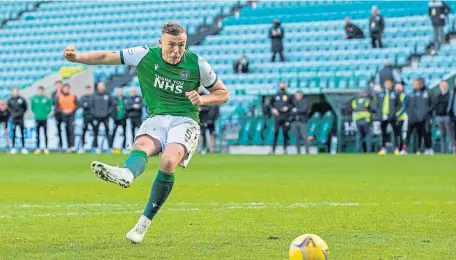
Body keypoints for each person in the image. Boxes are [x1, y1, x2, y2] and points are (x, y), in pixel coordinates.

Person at [62, 21, 228, 243]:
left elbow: (222, 93)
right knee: (142, 146)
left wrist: (203, 99)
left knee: (168, 162)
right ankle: (127, 174)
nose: (177, 51)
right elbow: (105, 57)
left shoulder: (198, 64)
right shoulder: (143, 54)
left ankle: (143, 223)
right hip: (157, 117)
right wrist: (77, 58)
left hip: (186, 119)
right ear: (160, 43)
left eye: (181, 45)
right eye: (171, 45)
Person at [403, 79, 433, 155]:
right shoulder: (410, 94)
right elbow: (406, 106)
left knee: (421, 134)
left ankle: (419, 149)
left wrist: (423, 114)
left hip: (421, 118)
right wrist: (410, 115)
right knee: (408, 134)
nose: (415, 85)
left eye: (417, 84)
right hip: (411, 118)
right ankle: (404, 149)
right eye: (414, 84)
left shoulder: (425, 93)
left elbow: (427, 106)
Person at [377, 80, 401, 155]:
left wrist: (394, 112)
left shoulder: (395, 93)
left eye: (389, 84)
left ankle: (396, 148)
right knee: (383, 132)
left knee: (395, 132)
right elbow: (377, 104)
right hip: (383, 115)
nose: (388, 85)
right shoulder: (380, 94)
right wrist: (380, 113)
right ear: (384, 84)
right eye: (386, 84)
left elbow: (399, 105)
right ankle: (383, 148)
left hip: (392, 116)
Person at [270, 82, 292, 154]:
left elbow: (292, 105)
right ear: (279, 86)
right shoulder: (275, 95)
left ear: (285, 86)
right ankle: (273, 150)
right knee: (275, 133)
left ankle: (285, 149)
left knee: (285, 133)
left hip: (285, 117)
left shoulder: (289, 95)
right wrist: (273, 109)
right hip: (277, 116)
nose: (282, 86)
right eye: (281, 85)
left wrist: (287, 107)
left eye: (283, 85)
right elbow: (271, 104)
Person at [434, 80, 455, 153]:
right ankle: (443, 152)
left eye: (444, 85)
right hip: (439, 117)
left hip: (447, 117)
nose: (443, 86)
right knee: (442, 136)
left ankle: (454, 151)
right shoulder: (438, 95)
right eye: (442, 85)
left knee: (451, 135)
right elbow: (435, 106)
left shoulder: (450, 95)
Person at [92, 82, 113, 153]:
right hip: (96, 117)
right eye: (100, 86)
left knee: (108, 132)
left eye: (102, 86)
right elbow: (91, 106)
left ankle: (109, 148)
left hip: (106, 117)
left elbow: (112, 106)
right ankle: (95, 147)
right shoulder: (94, 95)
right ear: (97, 87)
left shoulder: (108, 95)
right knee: (95, 132)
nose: (101, 87)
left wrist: (107, 113)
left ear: (104, 87)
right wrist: (94, 114)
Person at [55, 84, 78, 153]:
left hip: (71, 116)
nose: (66, 90)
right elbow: (56, 107)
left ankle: (71, 146)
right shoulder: (59, 97)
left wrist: (72, 110)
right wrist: (63, 111)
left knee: (71, 130)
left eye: (67, 89)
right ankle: (62, 146)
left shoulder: (73, 96)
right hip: (62, 116)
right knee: (62, 131)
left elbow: (77, 105)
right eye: (65, 89)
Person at [30, 86, 52, 154]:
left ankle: (46, 148)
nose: (40, 92)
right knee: (37, 134)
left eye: (41, 91)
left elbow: (49, 108)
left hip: (44, 118)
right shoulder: (34, 98)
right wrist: (37, 113)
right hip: (37, 118)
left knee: (45, 133)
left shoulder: (47, 99)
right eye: (39, 90)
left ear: (43, 91)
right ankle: (38, 148)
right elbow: (32, 108)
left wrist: (45, 113)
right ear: (37, 91)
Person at [198, 87, 220, 154]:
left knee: (210, 134)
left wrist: (201, 109)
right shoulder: (202, 96)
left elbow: (212, 110)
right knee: (202, 134)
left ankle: (210, 149)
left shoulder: (207, 97)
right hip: (203, 119)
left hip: (209, 119)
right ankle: (202, 149)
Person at [8, 87, 28, 154]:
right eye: (13, 91)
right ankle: (13, 147)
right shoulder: (10, 100)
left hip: (20, 118)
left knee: (22, 133)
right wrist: (13, 114)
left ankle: (23, 147)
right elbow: (9, 109)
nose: (14, 92)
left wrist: (21, 113)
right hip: (13, 119)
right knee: (13, 133)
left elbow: (25, 107)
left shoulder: (22, 99)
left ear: (18, 92)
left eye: (15, 91)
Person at [78, 85, 94, 153]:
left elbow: (92, 105)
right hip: (85, 117)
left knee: (95, 132)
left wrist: (87, 105)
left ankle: (94, 147)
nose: (88, 91)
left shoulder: (94, 97)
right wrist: (87, 105)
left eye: (89, 89)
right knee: (83, 131)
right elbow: (82, 105)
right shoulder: (83, 97)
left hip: (93, 117)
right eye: (87, 89)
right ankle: (82, 147)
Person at [111, 87, 127, 152]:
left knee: (124, 133)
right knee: (113, 133)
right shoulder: (114, 99)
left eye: (121, 91)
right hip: (116, 119)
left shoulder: (125, 99)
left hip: (123, 119)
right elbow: (112, 108)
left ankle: (124, 147)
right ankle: (111, 147)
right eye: (119, 91)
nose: (120, 92)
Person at [394, 82, 407, 155]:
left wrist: (398, 114)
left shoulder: (404, 95)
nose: (398, 88)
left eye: (400, 86)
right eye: (397, 86)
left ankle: (403, 148)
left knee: (403, 134)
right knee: (396, 134)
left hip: (403, 117)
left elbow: (404, 106)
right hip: (394, 117)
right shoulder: (393, 95)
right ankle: (396, 148)